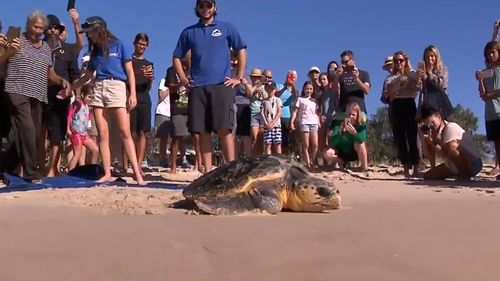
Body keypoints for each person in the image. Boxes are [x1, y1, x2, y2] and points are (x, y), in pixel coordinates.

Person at [173, 0, 247, 172]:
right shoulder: (189, 32)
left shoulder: (226, 27)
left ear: (215, 7)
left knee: (224, 130)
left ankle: (231, 171)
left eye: (209, 5)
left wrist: (240, 77)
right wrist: (184, 79)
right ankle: (208, 171)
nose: (205, 9)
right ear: (197, 9)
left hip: (222, 85)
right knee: (203, 131)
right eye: (202, 6)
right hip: (198, 87)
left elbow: (241, 49)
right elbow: (176, 56)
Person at [70, 16, 144, 184]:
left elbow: (130, 71)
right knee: (103, 135)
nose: (89, 36)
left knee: (125, 132)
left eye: (90, 32)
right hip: (98, 88)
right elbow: (87, 76)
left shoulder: (120, 45)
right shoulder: (95, 52)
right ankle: (107, 173)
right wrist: (71, 87)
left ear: (100, 30)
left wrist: (132, 94)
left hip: (116, 86)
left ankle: (137, 174)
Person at [0, 11, 71, 183]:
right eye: (36, 27)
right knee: (28, 128)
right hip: (15, 90)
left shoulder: (46, 48)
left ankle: (6, 168)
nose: (39, 31)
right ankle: (32, 172)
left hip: (38, 95)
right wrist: (9, 50)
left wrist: (61, 80)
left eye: (42, 28)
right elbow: (1, 62)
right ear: (28, 25)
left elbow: (50, 74)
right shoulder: (16, 38)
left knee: (26, 134)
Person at [39, 14, 80, 177]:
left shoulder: (68, 49)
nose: (53, 30)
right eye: (50, 27)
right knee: (39, 132)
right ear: (45, 30)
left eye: (56, 27)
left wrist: (76, 95)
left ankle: (52, 169)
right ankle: (40, 166)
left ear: (59, 30)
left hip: (60, 95)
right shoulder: (38, 46)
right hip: (38, 92)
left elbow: (75, 74)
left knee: (57, 134)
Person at [383, 51, 423, 177]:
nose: (398, 63)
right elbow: (388, 93)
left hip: (409, 104)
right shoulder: (390, 77)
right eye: (396, 61)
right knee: (400, 138)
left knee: (413, 137)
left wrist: (411, 79)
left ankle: (416, 167)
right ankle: (405, 167)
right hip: (396, 105)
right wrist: (400, 81)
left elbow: (418, 87)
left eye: (401, 60)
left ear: (406, 61)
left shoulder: (412, 73)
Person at [420, 104, 483, 180]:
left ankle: (464, 176)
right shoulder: (435, 134)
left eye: (432, 123)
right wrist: (426, 141)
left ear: (438, 117)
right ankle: (459, 173)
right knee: (429, 176)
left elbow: (447, 153)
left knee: (452, 146)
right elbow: (429, 155)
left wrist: (433, 142)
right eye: (428, 125)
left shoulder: (450, 127)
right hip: (454, 164)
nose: (431, 127)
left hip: (472, 162)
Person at [124, 33, 154, 174]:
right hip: (129, 97)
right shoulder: (128, 60)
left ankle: (138, 164)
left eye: (144, 44)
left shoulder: (149, 64)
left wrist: (150, 78)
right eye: (140, 44)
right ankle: (125, 164)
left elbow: (149, 87)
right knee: (129, 132)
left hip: (144, 98)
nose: (142, 46)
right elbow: (125, 79)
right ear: (134, 43)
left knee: (143, 132)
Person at [476, 41, 500, 180]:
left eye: (493, 52)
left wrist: (491, 95)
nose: (491, 55)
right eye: (488, 53)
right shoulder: (486, 71)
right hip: (490, 111)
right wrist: (479, 80)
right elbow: (483, 95)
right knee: (496, 142)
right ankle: (498, 165)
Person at [323, 102, 368, 170]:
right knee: (327, 153)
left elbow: (362, 140)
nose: (350, 117)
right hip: (341, 153)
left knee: (360, 143)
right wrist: (340, 133)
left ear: (358, 115)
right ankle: (342, 162)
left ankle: (364, 167)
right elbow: (332, 142)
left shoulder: (361, 125)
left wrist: (354, 133)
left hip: (354, 153)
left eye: (353, 115)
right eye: (348, 114)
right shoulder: (338, 123)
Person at [66, 84, 99, 171]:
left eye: (92, 97)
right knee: (77, 154)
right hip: (76, 132)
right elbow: (69, 116)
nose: (90, 99)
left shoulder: (87, 106)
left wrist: (91, 112)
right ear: (82, 95)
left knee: (95, 150)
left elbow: (87, 118)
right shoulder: (77, 104)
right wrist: (68, 129)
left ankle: (92, 170)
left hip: (83, 133)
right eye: (89, 97)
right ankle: (70, 173)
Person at [290, 81, 320, 168]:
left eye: (311, 89)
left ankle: (311, 160)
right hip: (304, 122)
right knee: (306, 144)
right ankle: (308, 164)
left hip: (314, 122)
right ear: (304, 89)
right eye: (307, 88)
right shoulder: (300, 99)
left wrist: (318, 122)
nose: (309, 90)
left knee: (315, 145)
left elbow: (316, 113)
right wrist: (292, 122)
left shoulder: (314, 101)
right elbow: (295, 112)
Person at [261, 80, 282, 155]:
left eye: (272, 89)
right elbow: (262, 113)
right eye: (268, 89)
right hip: (267, 126)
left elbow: (279, 112)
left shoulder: (278, 100)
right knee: (268, 144)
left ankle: (280, 161)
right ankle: (268, 161)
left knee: (277, 144)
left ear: (275, 89)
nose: (270, 91)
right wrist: (266, 123)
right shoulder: (264, 101)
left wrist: (273, 123)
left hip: (276, 125)